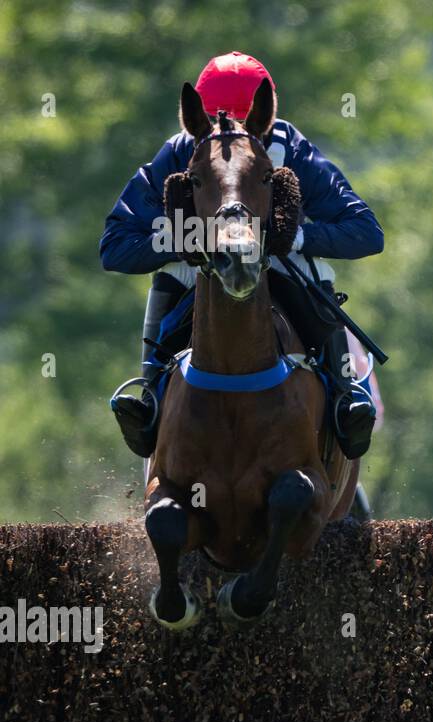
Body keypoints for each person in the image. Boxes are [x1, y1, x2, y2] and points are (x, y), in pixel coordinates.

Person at [102, 51, 383, 461]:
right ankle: (148, 394)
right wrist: (184, 238)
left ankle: (345, 398)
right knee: (172, 276)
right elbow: (115, 246)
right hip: (198, 270)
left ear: (262, 122)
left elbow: (366, 234)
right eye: (216, 129)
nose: (229, 136)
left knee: (313, 272)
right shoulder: (180, 151)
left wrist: (294, 236)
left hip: (279, 264)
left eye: (243, 128)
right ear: (197, 121)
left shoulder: (293, 147)